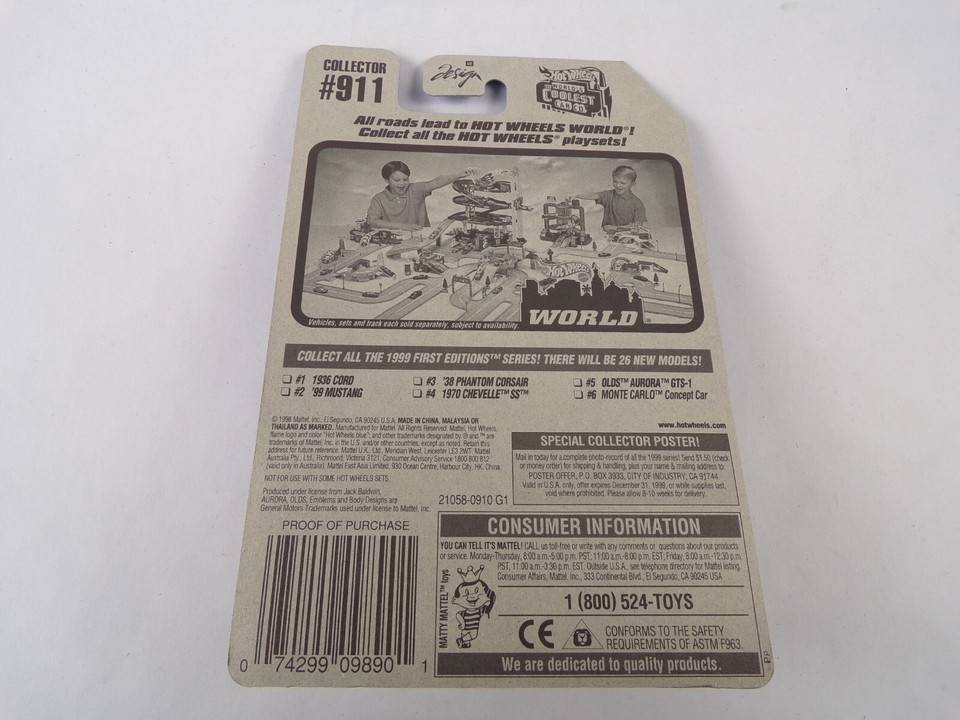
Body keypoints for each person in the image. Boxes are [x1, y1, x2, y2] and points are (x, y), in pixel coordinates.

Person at [366, 160, 467, 231]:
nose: (402, 183)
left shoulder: (416, 189)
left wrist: (459, 175)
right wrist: (402, 226)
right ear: (386, 180)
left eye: (405, 179)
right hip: (394, 240)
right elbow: (372, 221)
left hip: (420, 237)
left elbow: (437, 182)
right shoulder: (378, 199)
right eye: (397, 180)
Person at [571, 165, 647, 232]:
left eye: (623, 183)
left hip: (628, 235)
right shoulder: (609, 195)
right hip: (609, 235)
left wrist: (616, 229)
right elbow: (595, 195)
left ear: (633, 184)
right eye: (615, 181)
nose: (618, 185)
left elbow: (638, 226)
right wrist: (577, 195)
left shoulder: (637, 203)